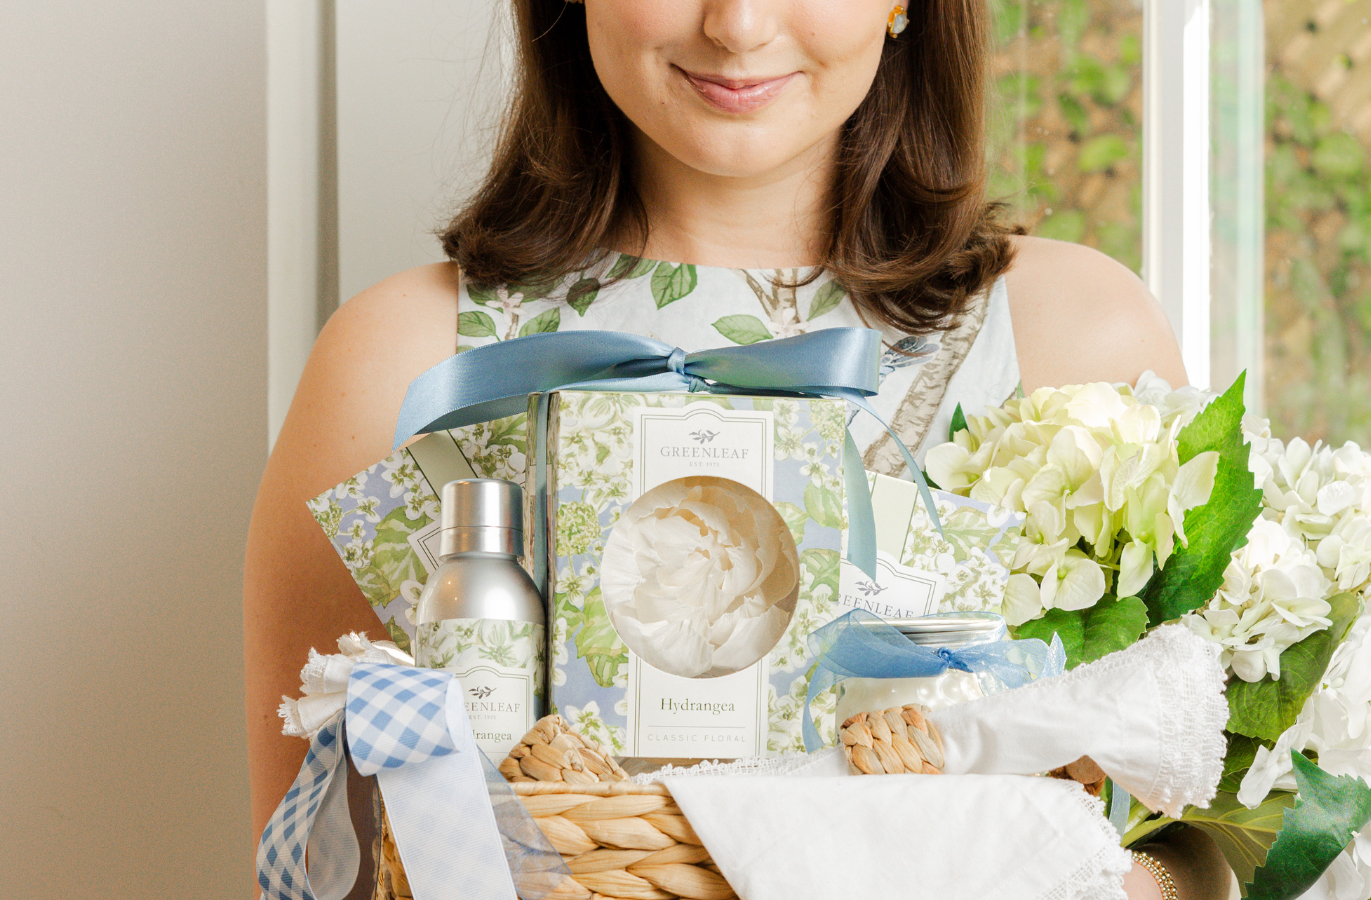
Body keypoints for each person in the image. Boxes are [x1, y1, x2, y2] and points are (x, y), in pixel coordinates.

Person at [244, 0, 1224, 897]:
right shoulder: (405, 363)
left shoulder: (1074, 334)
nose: (739, 23)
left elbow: (1211, 827)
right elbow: (314, 869)